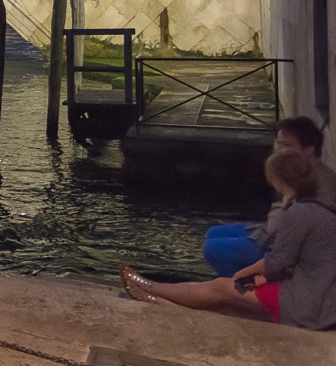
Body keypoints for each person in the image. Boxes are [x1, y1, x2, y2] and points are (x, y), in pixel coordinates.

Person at [122, 150, 336, 330]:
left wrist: (242, 274)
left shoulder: (300, 213)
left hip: (307, 304)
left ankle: (152, 287)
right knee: (228, 306)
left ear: (278, 181)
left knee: (221, 288)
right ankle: (159, 302)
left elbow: (275, 263)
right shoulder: (316, 207)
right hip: (321, 302)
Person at [202, 117, 335, 277]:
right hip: (268, 231)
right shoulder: (296, 170)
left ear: (308, 150)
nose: (280, 150)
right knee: (213, 232)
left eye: (287, 146)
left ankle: (237, 291)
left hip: (276, 241)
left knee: (212, 249)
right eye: (278, 144)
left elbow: (283, 230)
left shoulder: (316, 183)